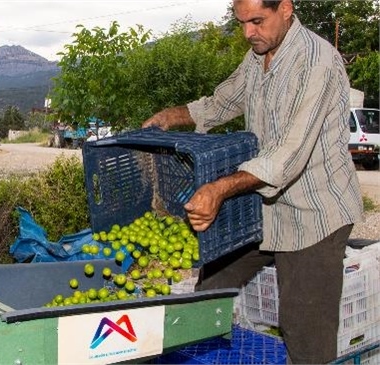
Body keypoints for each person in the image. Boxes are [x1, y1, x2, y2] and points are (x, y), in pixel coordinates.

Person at [142, 0, 363, 363]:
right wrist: (169, 117)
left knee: (304, 328)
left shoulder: (316, 62)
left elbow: (287, 158)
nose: (248, 33)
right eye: (242, 22)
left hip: (314, 215)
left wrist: (218, 189)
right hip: (265, 209)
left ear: (286, 9)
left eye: (257, 21)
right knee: (210, 285)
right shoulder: (258, 55)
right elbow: (219, 102)